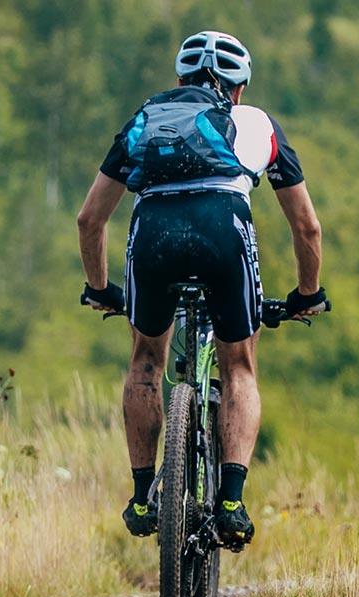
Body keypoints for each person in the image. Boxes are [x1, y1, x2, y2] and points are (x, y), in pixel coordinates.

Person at [75, 30, 328, 551]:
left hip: (152, 233)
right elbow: (307, 228)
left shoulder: (143, 122)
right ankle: (231, 500)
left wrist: (101, 288)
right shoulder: (256, 123)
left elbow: (88, 220)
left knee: (146, 359)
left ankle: (144, 495)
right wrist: (306, 293)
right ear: (237, 89)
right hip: (222, 226)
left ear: (179, 81)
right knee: (239, 365)